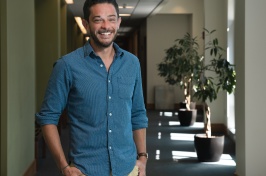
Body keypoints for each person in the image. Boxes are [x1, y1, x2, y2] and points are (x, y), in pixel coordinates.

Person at [35, 0, 148, 175]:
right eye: (98, 20)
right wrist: (64, 167)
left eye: (111, 19)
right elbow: (47, 118)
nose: (106, 26)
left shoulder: (132, 63)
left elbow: (138, 113)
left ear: (118, 22)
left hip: (129, 169)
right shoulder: (67, 65)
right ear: (86, 24)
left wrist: (142, 158)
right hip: (85, 170)